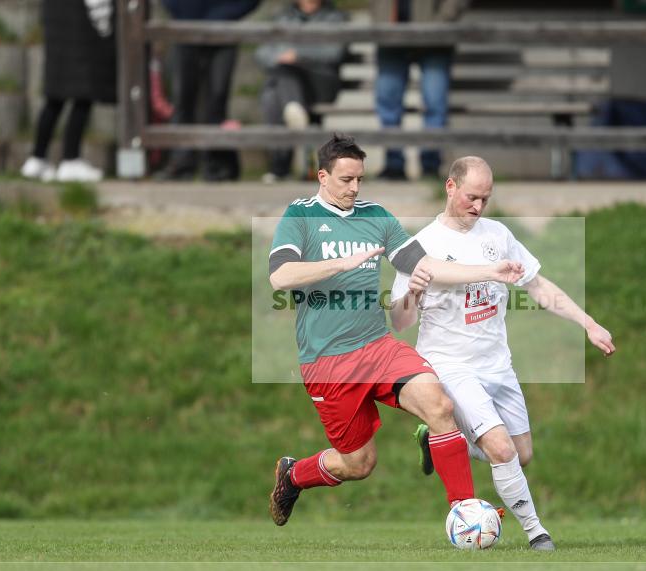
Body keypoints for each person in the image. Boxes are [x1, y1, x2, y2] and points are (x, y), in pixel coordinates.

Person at [268, 134, 526, 526]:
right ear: (322, 176)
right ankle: (294, 475)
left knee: (439, 405)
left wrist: (489, 271)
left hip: (377, 347)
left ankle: (465, 511)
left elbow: (426, 266)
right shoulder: (300, 216)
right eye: (346, 179)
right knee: (359, 463)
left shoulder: (376, 217)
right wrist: (341, 264)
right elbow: (281, 276)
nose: (355, 188)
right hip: (328, 361)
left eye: (360, 179)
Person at [389, 156, 616, 551]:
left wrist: (588, 323)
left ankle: (441, 438)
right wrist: (413, 292)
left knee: (521, 454)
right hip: (450, 365)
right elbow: (400, 321)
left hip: (497, 365)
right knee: (501, 449)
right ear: (450, 187)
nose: (478, 207)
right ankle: (537, 532)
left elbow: (538, 286)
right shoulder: (421, 246)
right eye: (471, 198)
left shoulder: (498, 235)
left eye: (485, 199)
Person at [157, 0, 261, 181]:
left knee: (217, 100)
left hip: (223, 32)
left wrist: (226, 15)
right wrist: (182, 14)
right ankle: (181, 162)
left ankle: (215, 163)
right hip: (185, 31)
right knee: (183, 99)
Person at [371, 0, 470, 180]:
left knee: (435, 104)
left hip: (435, 39)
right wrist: (379, 19)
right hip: (389, 35)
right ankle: (394, 165)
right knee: (388, 105)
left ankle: (430, 166)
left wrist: (441, 21)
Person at [20, 0, 116, 182]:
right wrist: (105, 26)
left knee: (54, 98)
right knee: (83, 96)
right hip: (82, 30)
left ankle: (37, 158)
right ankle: (71, 158)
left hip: (56, 28)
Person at [256, 0, 348, 182]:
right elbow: (262, 52)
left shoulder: (335, 18)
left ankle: (279, 167)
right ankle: (294, 110)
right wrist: (279, 57)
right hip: (288, 79)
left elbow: (333, 52)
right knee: (272, 95)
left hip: (319, 83)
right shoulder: (282, 16)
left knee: (276, 91)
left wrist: (298, 55)